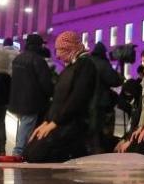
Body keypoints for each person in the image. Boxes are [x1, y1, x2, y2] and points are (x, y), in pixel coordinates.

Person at [24, 31, 98, 162]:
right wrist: (46, 121)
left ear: (71, 48)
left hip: (71, 124)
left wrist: (55, 122)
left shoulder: (85, 66)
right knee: (30, 151)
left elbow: (77, 99)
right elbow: (58, 99)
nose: (58, 55)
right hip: (59, 122)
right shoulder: (70, 67)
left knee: (38, 154)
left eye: (61, 50)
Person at [8, 33, 55, 157]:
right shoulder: (38, 60)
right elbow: (45, 82)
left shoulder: (18, 59)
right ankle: (18, 152)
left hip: (17, 99)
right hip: (31, 100)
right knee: (27, 125)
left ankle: (23, 150)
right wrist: (52, 93)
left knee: (24, 125)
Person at [86, 42, 124, 154]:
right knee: (98, 128)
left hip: (86, 101)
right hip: (100, 101)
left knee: (90, 128)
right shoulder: (103, 64)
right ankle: (97, 150)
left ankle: (89, 149)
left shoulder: (87, 62)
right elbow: (115, 81)